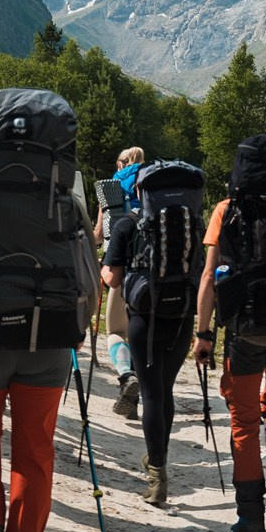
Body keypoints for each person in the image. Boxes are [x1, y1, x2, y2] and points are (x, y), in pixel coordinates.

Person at [194, 194, 266, 532]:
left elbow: (210, 275)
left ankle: (250, 519)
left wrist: (204, 333)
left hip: (245, 331)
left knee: (243, 419)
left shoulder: (227, 209)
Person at [101, 159, 195, 504]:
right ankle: (159, 456)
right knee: (164, 390)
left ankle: (157, 473)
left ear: (140, 191)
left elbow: (111, 278)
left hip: (143, 316)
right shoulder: (192, 224)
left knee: (152, 393)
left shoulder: (129, 225)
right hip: (183, 315)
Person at [103, 146, 146, 417]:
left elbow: (100, 229)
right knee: (141, 334)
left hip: (122, 267)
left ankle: (126, 374)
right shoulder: (155, 181)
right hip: (158, 273)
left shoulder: (113, 185)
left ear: (122, 163)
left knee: (115, 330)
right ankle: (133, 397)